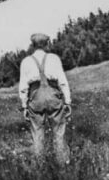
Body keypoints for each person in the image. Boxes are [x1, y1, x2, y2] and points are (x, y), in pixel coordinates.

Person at [18, 33, 72, 163]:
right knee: (59, 132)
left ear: (32, 45)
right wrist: (68, 101)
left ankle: (40, 165)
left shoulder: (26, 61)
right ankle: (63, 163)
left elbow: (23, 86)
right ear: (47, 44)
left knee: (37, 134)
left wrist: (24, 106)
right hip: (53, 95)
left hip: (35, 97)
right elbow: (62, 81)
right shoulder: (54, 58)